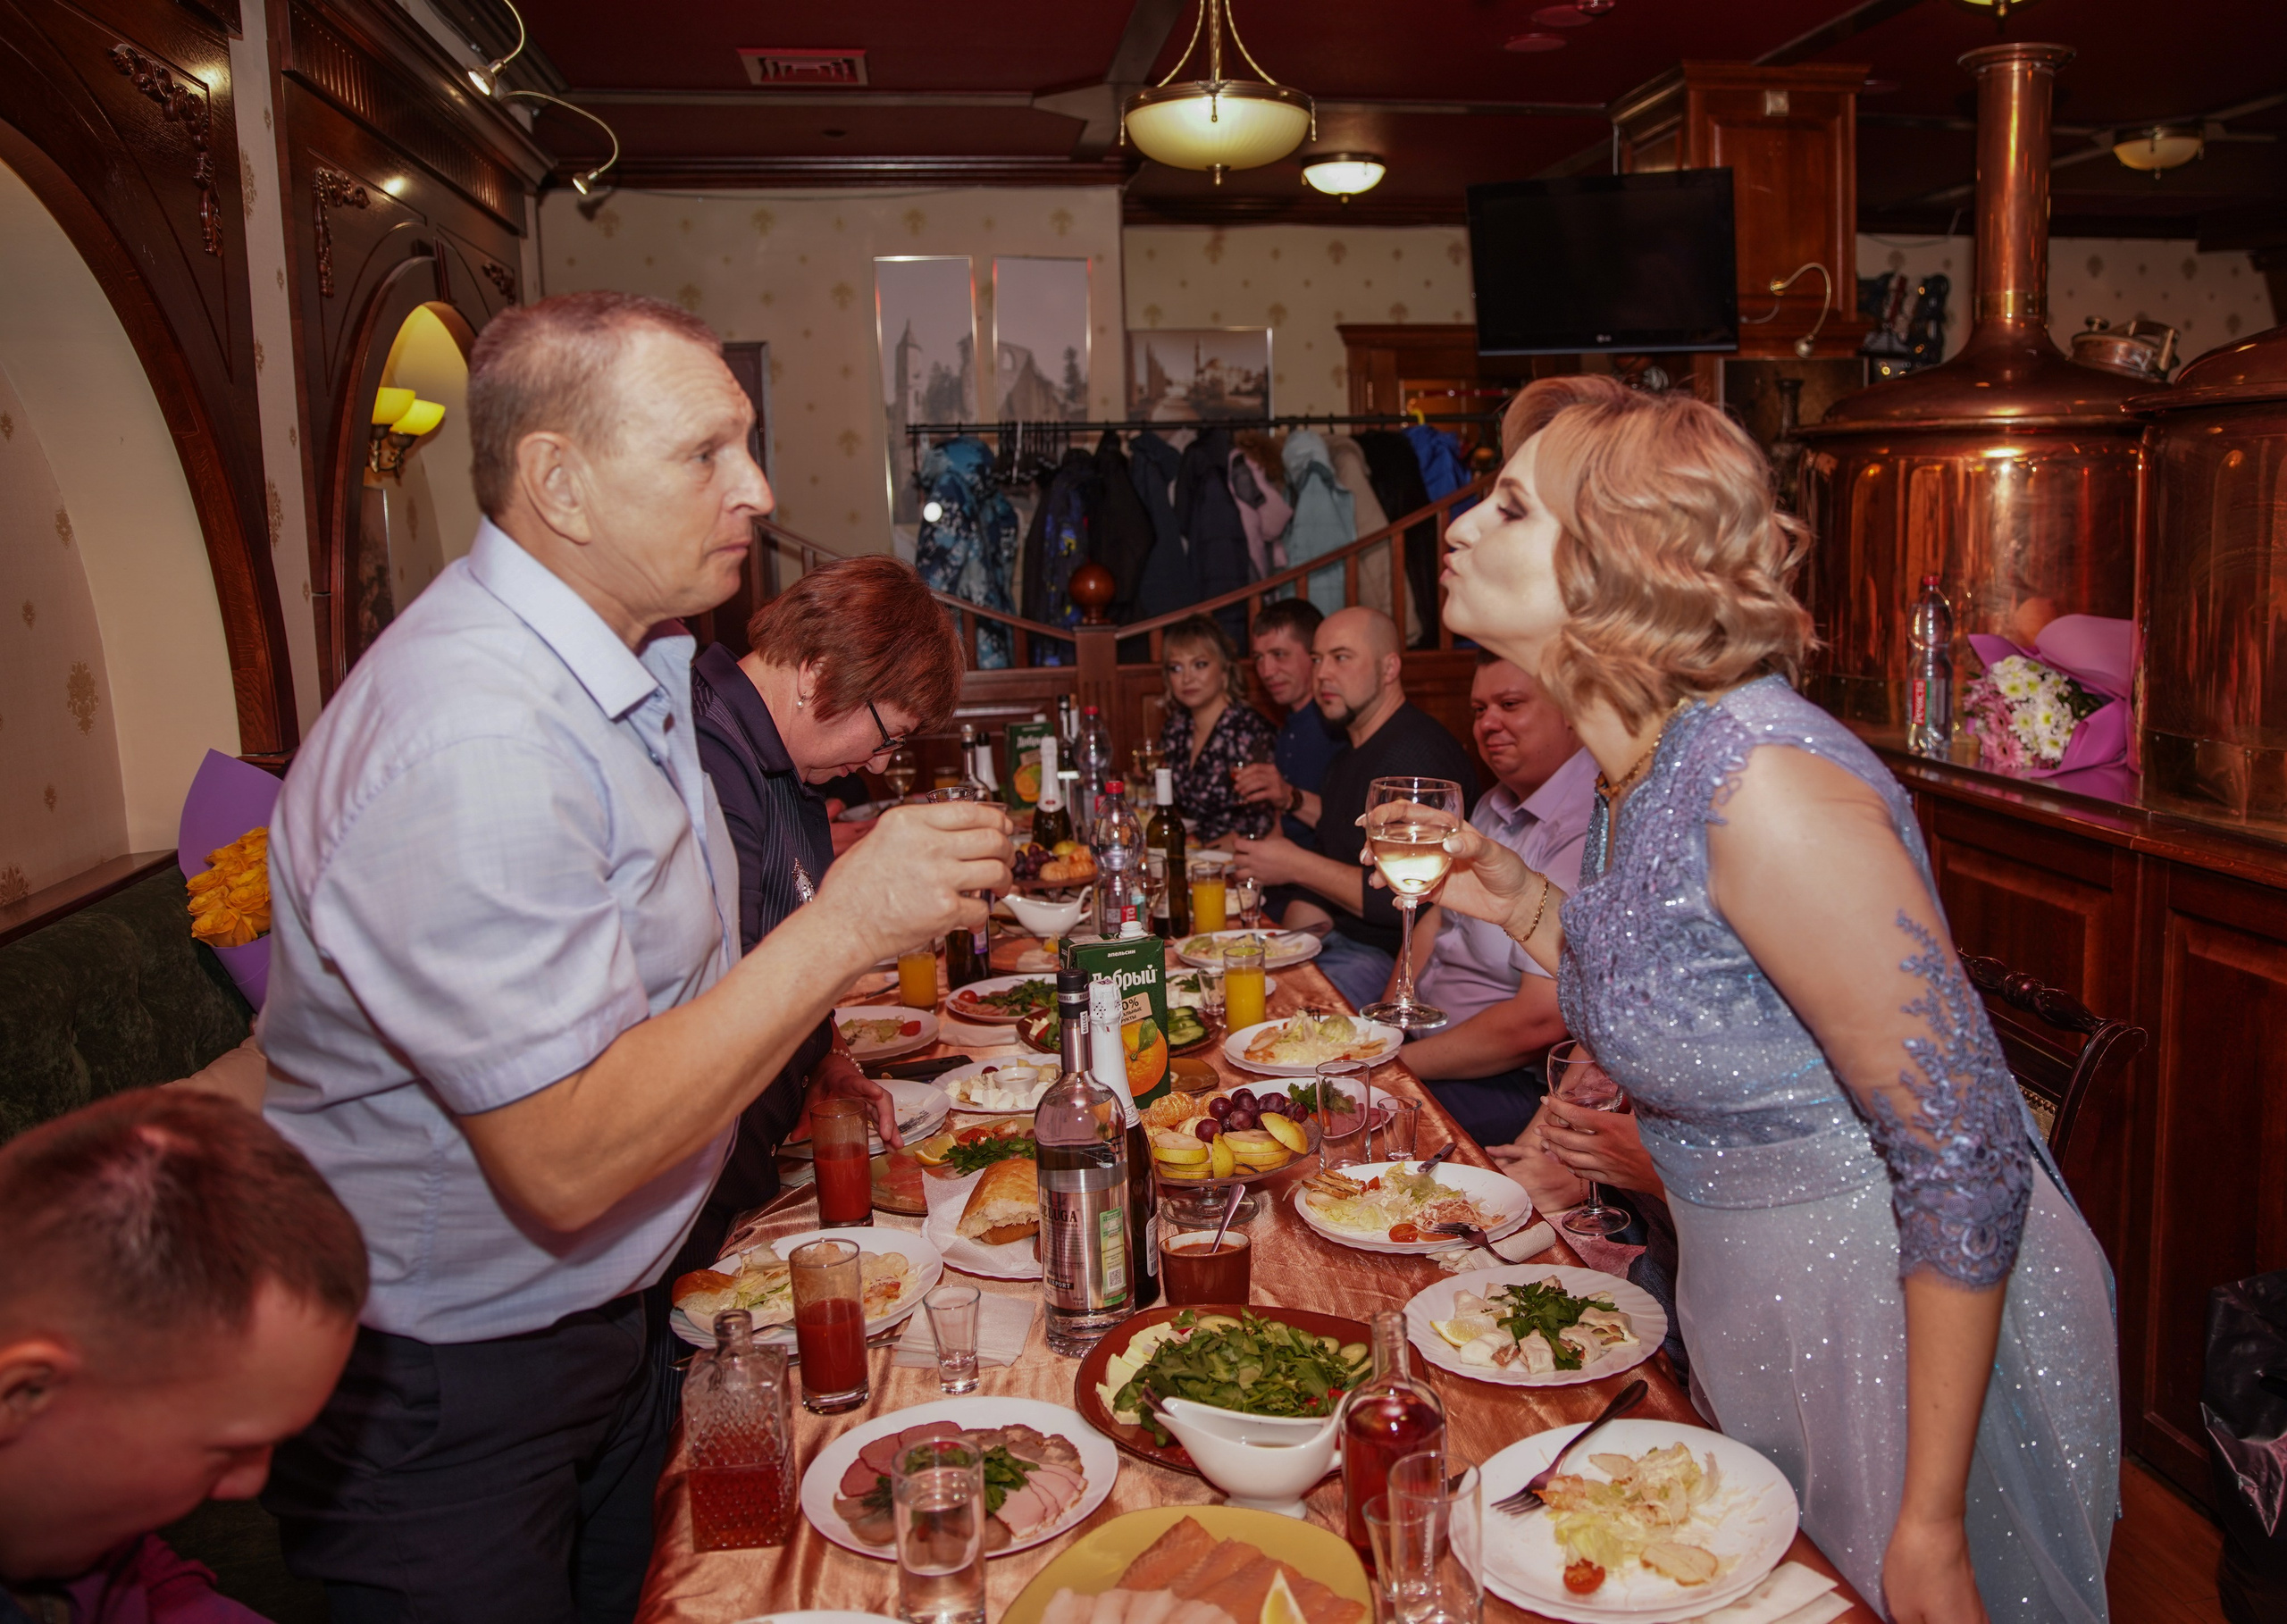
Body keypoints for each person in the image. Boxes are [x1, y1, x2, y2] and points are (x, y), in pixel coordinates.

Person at [256, 291, 1009, 1623]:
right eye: (704, 453)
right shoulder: (476, 736)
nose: (758, 488)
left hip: (608, 1325)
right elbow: (564, 1154)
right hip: (449, 1394)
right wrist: (844, 925)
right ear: (560, 481)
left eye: (748, 445)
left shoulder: (647, 660)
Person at [1427, 373, 2117, 1622]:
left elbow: (1964, 1147)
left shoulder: (1765, 784)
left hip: (1896, 1310)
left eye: (1512, 508)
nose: (1462, 527)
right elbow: (1665, 985)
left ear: (1624, 560)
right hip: (1761, 1291)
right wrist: (1517, 897)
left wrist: (1932, 1517)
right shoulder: (1642, 764)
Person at [677, 554, 968, 1275]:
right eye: (887, 734)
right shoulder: (704, 757)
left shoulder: (788, 761)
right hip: (690, 1199)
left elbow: (780, 941)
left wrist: (824, 1057)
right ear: (814, 671)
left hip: (748, 1165)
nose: (876, 764)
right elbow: (714, 1003)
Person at [0, 1091, 366, 1621]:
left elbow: (145, 1575)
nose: (249, 1484)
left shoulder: (69, 1514)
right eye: (228, 1449)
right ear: (23, 1392)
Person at [1386, 650, 1596, 1148]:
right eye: (1480, 710)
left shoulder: (1587, 821)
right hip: (1421, 1048)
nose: (1488, 724)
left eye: (1510, 703)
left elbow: (1540, 1020)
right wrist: (1388, 1025)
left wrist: (1393, 1069)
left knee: (1352, 1131)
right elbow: (1436, 920)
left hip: (1508, 1082)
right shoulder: (1494, 800)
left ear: (1571, 710)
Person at [1227, 606, 1478, 1009]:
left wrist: (1293, 865)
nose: (1322, 674)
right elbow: (1333, 851)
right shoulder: (1349, 752)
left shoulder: (1415, 759)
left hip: (1392, 956)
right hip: (1335, 940)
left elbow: (1405, 899)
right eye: (1317, 659)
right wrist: (1279, 951)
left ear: (1389, 668)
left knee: (1274, 1014)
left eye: (1341, 658)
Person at [1158, 613, 1278, 844]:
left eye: (1199, 665)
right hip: (1193, 855)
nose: (1186, 678)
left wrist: (1196, 851)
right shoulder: (1176, 729)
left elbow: (1262, 825)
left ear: (1224, 670)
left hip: (1243, 860)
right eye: (1176, 668)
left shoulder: (1250, 730)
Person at [1242, 598, 1344, 845]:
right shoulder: (1291, 724)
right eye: (1259, 658)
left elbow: (1353, 826)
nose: (1266, 671)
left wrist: (1289, 796)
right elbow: (1282, 824)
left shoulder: (1338, 726)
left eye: (1279, 655)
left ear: (1314, 655)